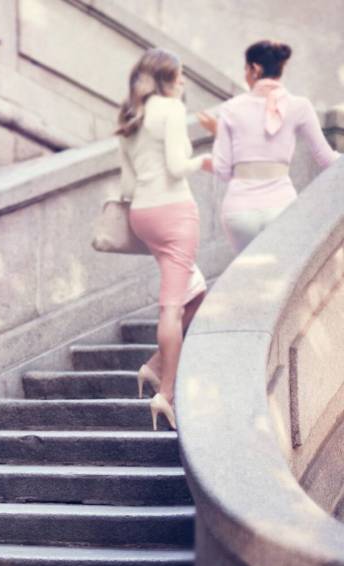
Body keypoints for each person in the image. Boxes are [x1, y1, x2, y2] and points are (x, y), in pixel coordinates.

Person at [116, 48, 212, 431]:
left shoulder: (130, 116)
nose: (184, 81)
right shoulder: (171, 111)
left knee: (196, 291)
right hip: (174, 211)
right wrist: (203, 161)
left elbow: (126, 183)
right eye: (180, 75)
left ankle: (155, 367)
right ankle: (166, 394)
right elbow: (176, 167)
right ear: (165, 78)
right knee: (172, 306)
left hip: (143, 214)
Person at [199, 40, 340, 253]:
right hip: (282, 209)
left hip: (240, 212)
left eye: (245, 69)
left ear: (254, 69)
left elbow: (222, 169)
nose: (245, 75)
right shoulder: (299, 106)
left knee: (247, 277)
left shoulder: (230, 109)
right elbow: (326, 159)